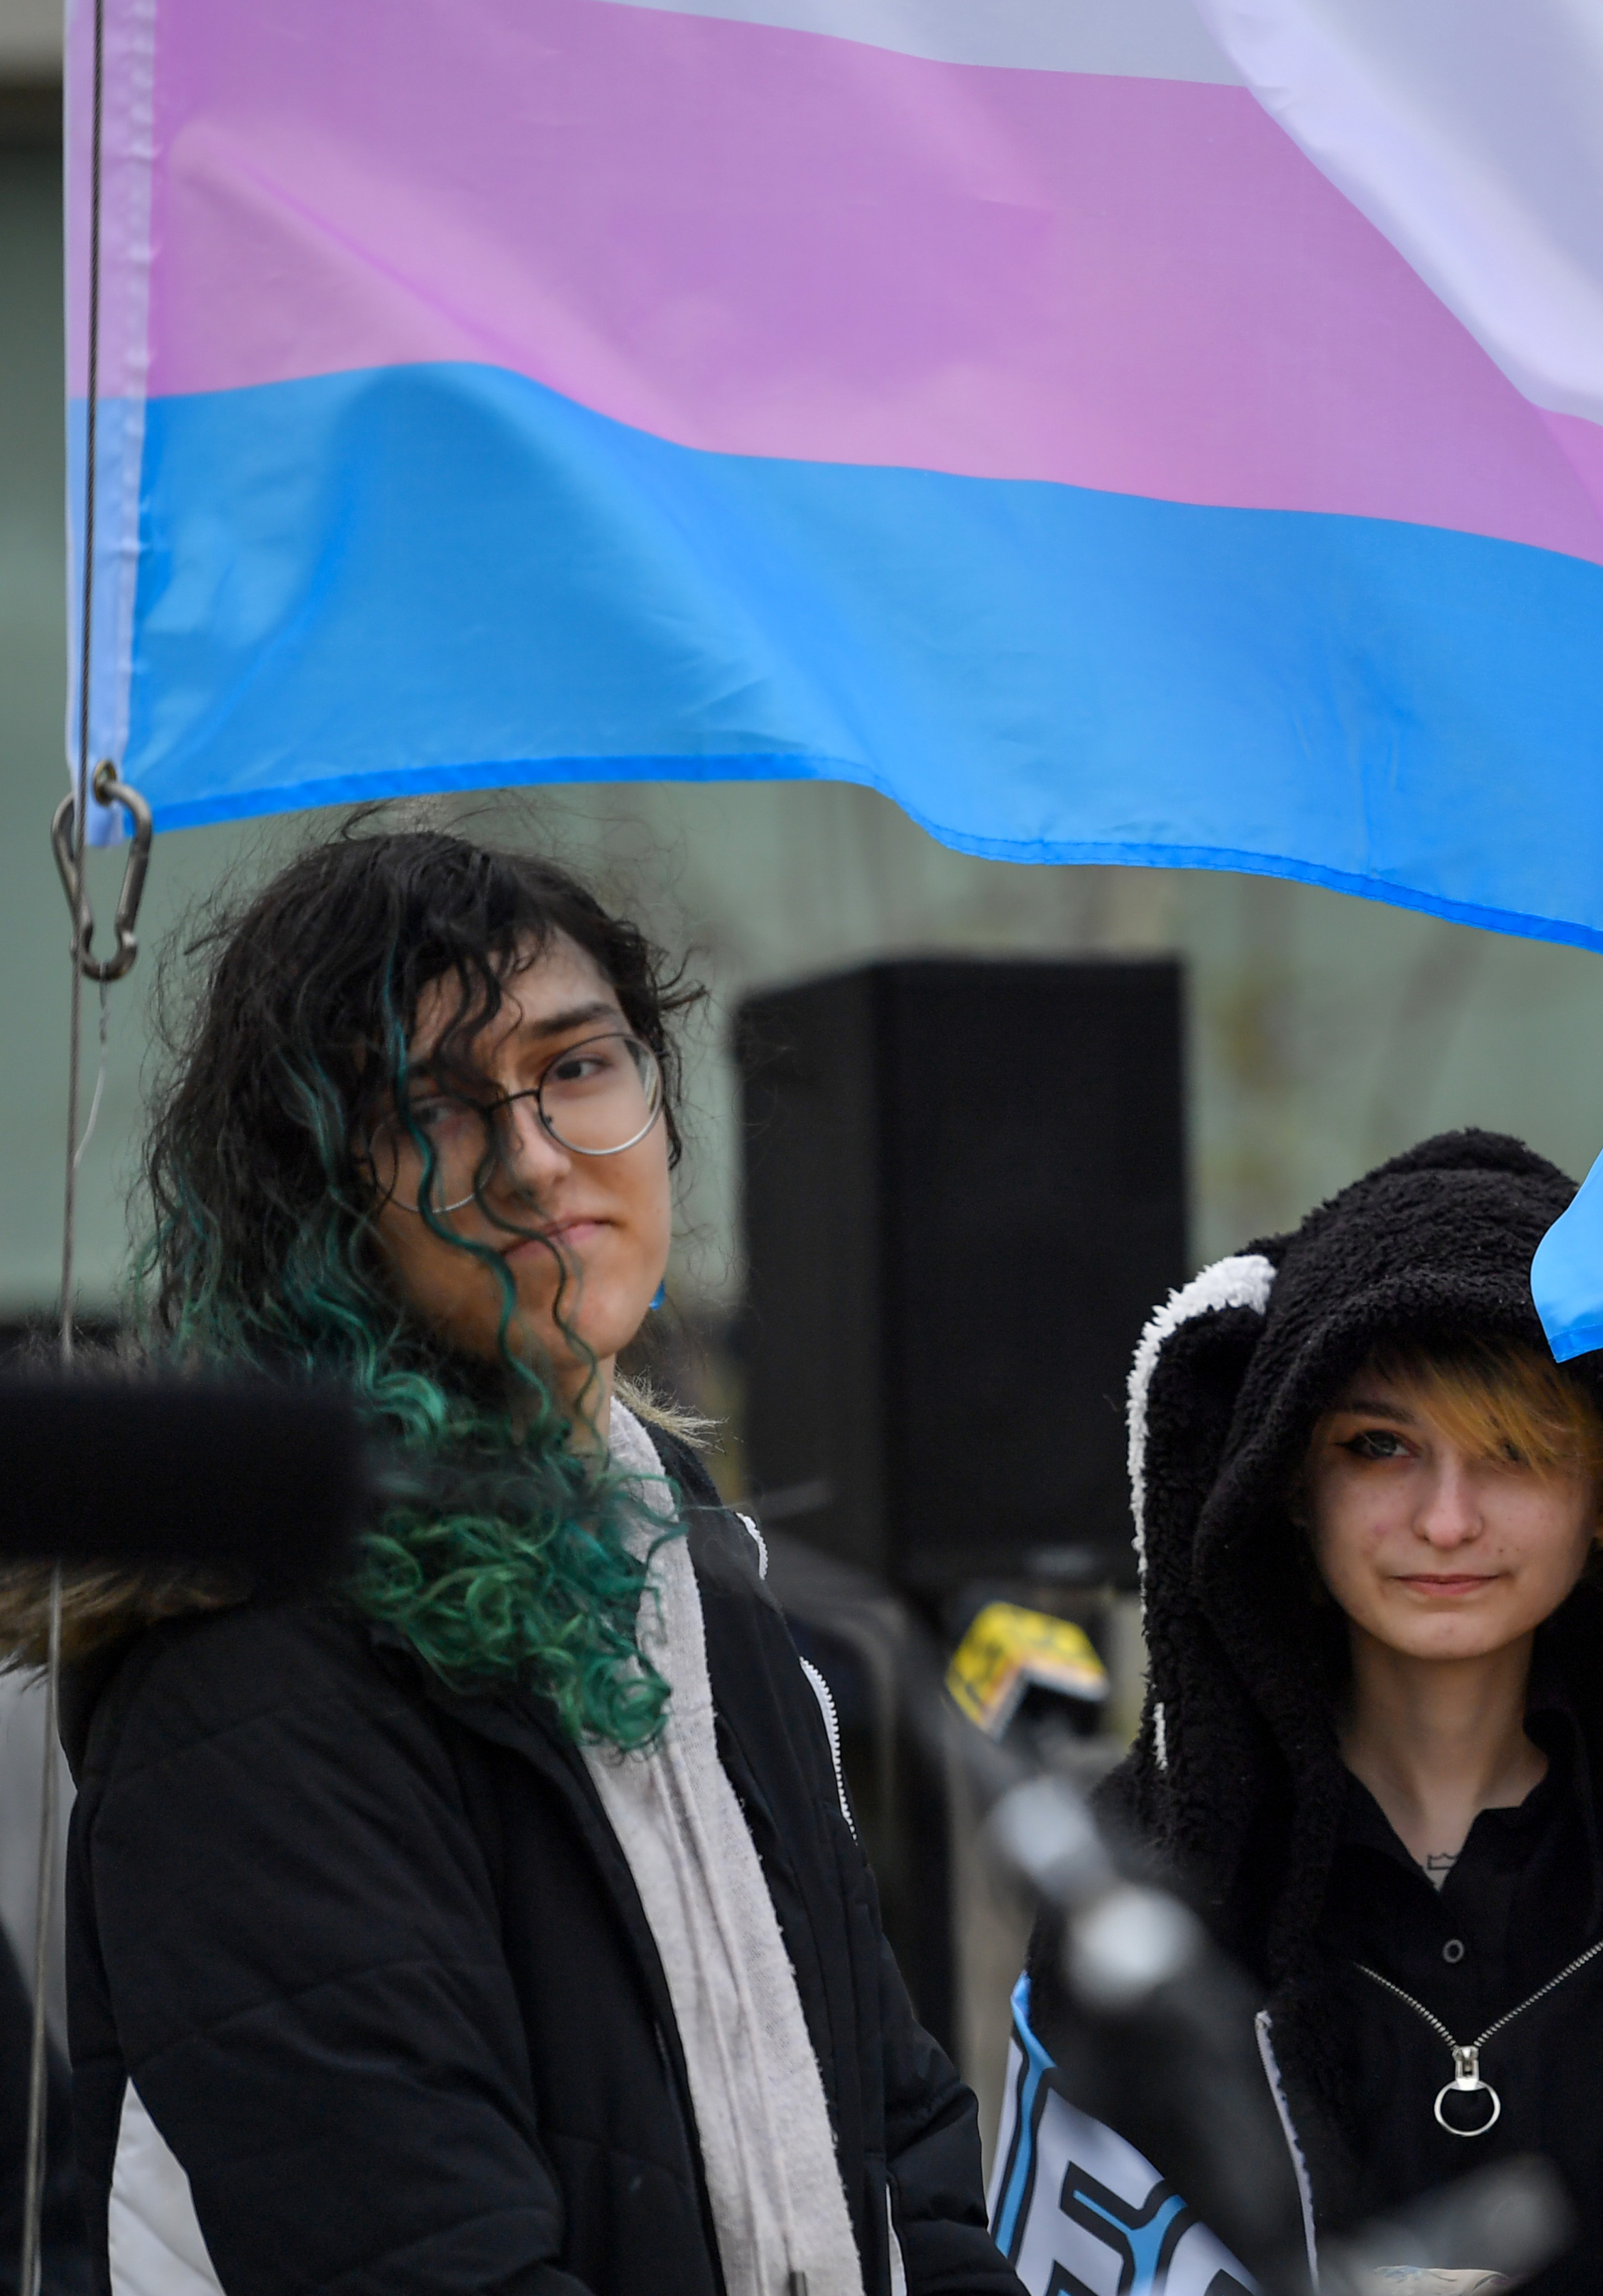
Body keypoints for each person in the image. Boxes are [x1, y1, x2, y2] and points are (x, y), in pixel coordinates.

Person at [14, 823, 1011, 2295]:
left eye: (578, 1066)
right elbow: (420, 2254)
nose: (539, 1159)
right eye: (439, 1106)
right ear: (322, 1195)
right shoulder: (247, 1662)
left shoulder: (705, 1577)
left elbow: (905, 2157)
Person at [1021, 1131, 1603, 2293]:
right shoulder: (1139, 1878)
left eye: (1515, 1449)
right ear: (1291, 1479)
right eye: (1379, 1445)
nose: (1446, 1520)